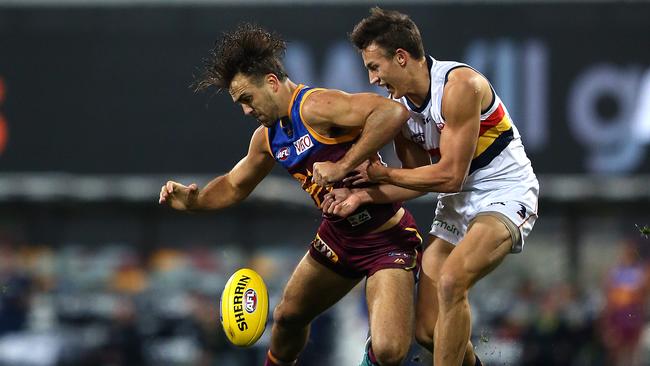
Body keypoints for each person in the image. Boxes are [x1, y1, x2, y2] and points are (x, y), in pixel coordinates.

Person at [158, 23, 423, 366]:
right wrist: (194, 202)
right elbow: (235, 185)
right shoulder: (267, 138)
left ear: (271, 81)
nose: (246, 111)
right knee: (286, 319)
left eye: (247, 99)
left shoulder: (316, 106)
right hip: (338, 240)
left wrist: (344, 166)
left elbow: (393, 112)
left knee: (390, 351)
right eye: (239, 104)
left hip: (386, 239)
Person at [316, 7, 539, 366]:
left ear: (401, 57)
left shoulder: (459, 87)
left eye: (375, 67)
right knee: (427, 330)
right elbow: (416, 180)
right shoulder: (398, 108)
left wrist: (382, 176)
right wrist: (360, 195)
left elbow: (449, 175)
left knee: (452, 280)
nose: (372, 79)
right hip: (456, 201)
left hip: (504, 192)